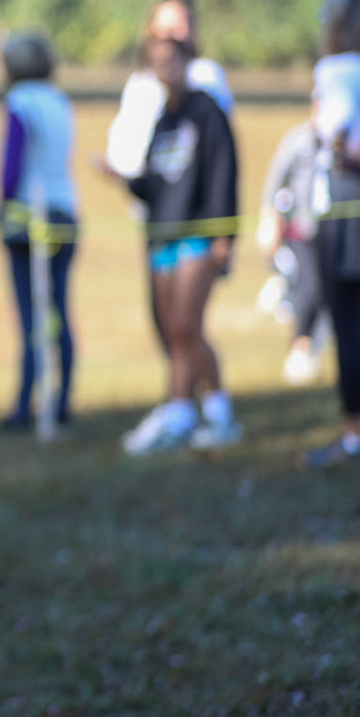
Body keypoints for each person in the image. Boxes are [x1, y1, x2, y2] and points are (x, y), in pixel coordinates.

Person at [91, 35, 240, 455]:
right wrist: (121, 178)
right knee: (172, 329)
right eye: (156, 63)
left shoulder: (207, 111)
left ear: (187, 61)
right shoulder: (164, 118)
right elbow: (156, 185)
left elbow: (224, 173)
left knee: (187, 326)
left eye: (171, 61)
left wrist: (223, 235)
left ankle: (207, 411)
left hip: (197, 233)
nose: (165, 69)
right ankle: (191, 410)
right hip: (163, 236)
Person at [301, 0, 360, 467]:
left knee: (348, 319)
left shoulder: (334, 70)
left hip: (349, 198)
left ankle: (354, 431)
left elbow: (335, 124)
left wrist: (331, 142)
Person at [0, 32, 77, 430]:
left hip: (29, 215)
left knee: (32, 315)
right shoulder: (60, 101)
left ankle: (27, 403)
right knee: (59, 310)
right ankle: (61, 399)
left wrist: (4, 205)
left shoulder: (20, 102)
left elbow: (11, 165)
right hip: (66, 213)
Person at [259, 106, 326, 384]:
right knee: (310, 288)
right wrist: (270, 222)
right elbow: (275, 183)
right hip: (301, 230)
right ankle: (301, 348)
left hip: (335, 232)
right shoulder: (298, 140)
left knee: (326, 294)